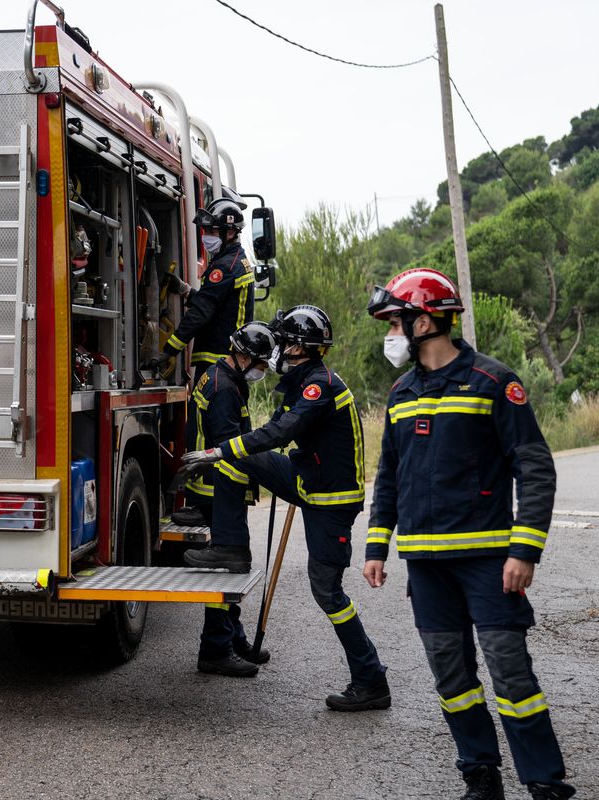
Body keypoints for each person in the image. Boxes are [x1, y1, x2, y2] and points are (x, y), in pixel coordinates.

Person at [364, 268, 574, 800]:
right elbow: (389, 475)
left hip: (487, 561)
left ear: (427, 320)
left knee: (510, 674)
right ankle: (480, 775)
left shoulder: (493, 382)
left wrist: (524, 549)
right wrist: (377, 546)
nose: (391, 333)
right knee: (451, 680)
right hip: (425, 567)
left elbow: (534, 468)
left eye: (396, 321)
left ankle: (545, 782)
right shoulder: (401, 393)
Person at [180, 305, 389, 711]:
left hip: (331, 502)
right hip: (307, 482)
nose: (276, 349)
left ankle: (371, 679)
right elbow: (268, 431)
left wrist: (219, 449)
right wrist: (223, 453)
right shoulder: (301, 380)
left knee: (327, 592)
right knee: (237, 454)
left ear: (297, 347)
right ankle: (231, 546)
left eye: (283, 341)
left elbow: (284, 430)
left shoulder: (321, 386)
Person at [148, 186, 256, 526]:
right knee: (215, 436)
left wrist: (167, 352)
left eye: (210, 230)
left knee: (202, 435)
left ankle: (204, 507)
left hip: (217, 363)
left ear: (228, 230)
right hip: (228, 363)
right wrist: (185, 290)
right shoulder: (235, 262)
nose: (205, 236)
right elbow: (214, 302)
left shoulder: (225, 266)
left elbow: (201, 316)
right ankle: (212, 510)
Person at [179, 321, 276, 676]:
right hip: (218, 489)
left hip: (215, 488)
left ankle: (233, 637)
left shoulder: (220, 376)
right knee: (227, 568)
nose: (263, 371)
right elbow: (228, 448)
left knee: (233, 566)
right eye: (261, 364)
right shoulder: (224, 389)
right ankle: (216, 648)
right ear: (246, 357)